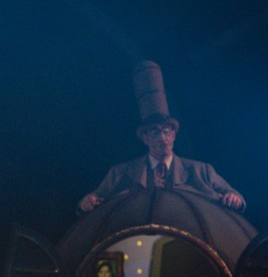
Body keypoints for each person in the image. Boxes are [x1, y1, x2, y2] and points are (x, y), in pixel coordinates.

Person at [78, 61, 245, 213]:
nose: (162, 139)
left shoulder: (201, 171)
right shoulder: (120, 173)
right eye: (155, 133)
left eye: (166, 132)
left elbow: (234, 196)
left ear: (174, 135)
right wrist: (87, 201)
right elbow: (93, 200)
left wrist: (233, 198)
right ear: (145, 139)